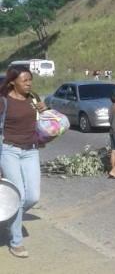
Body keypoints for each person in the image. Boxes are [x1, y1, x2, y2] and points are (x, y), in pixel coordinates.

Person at [0, 65, 47, 258]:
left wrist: (42, 109)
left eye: (30, 80)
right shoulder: (3, 101)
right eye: (24, 80)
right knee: (18, 195)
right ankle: (16, 242)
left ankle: (8, 219)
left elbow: (39, 119)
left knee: (33, 196)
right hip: (9, 150)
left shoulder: (33, 97)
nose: (28, 83)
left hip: (31, 151)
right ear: (13, 81)